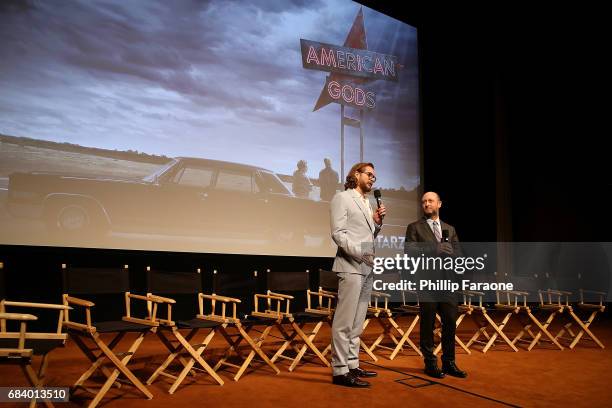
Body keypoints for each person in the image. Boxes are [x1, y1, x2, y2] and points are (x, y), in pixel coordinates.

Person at [330, 162, 386, 387]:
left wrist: (377, 224)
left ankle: (352, 364)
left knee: (357, 322)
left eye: (374, 176)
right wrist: (362, 255)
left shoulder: (366, 202)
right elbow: (339, 234)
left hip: (366, 268)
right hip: (350, 266)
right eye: (369, 174)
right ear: (356, 174)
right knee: (344, 322)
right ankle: (340, 371)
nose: (373, 178)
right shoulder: (342, 198)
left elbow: (368, 236)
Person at [404, 191, 467, 379]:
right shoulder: (414, 227)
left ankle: (449, 363)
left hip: (448, 284)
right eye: (423, 201)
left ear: (439, 204)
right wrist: (435, 248)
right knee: (428, 324)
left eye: (430, 201)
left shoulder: (450, 228)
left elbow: (460, 255)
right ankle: (430, 364)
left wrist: (451, 253)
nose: (426, 204)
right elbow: (409, 250)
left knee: (449, 324)